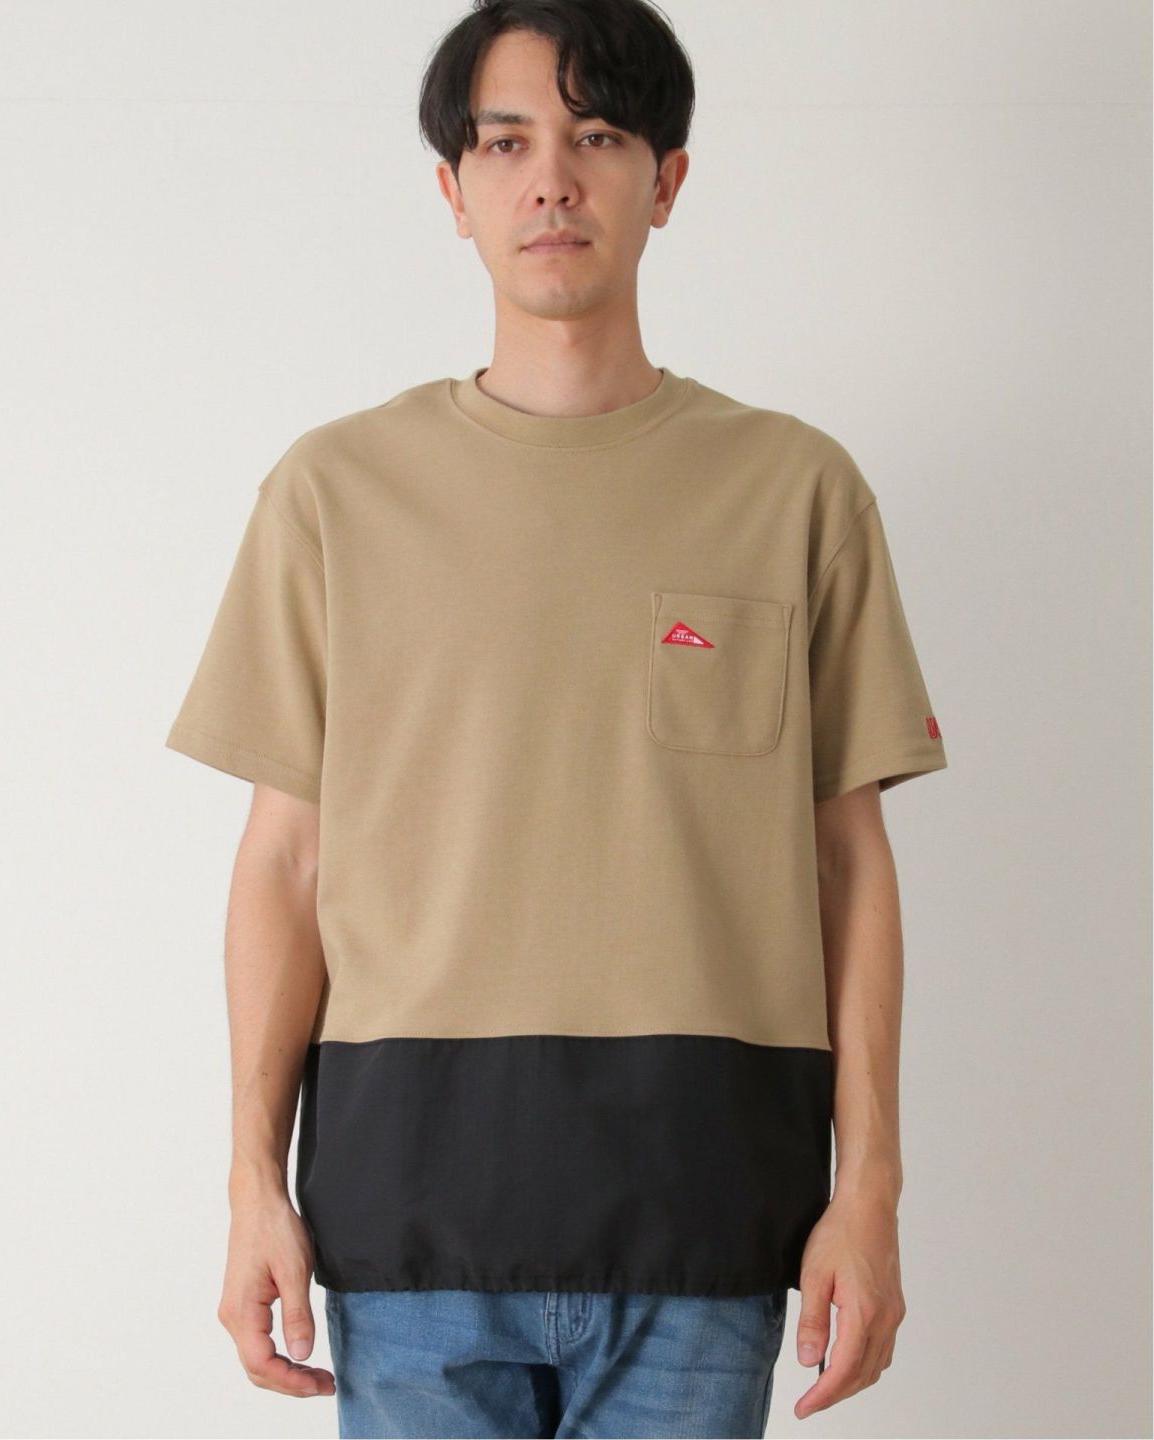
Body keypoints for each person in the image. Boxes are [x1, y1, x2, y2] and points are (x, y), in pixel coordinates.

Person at [164, 1, 949, 1435]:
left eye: (596, 137)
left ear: (668, 179)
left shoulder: (795, 491)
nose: (552, 182)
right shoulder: (336, 494)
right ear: (453, 190)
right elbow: (285, 861)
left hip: (706, 1219)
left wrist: (872, 1192)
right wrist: (250, 1184)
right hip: (409, 1226)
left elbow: (849, 865)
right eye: (507, 143)